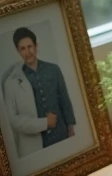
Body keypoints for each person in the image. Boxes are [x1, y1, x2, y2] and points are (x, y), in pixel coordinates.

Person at [3, 28, 76, 157]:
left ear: (36, 46)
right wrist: (44, 123)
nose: (27, 52)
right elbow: (13, 120)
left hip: (61, 135)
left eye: (30, 47)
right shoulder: (12, 82)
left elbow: (64, 100)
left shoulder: (53, 70)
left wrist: (70, 130)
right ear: (18, 51)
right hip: (36, 145)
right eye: (23, 48)